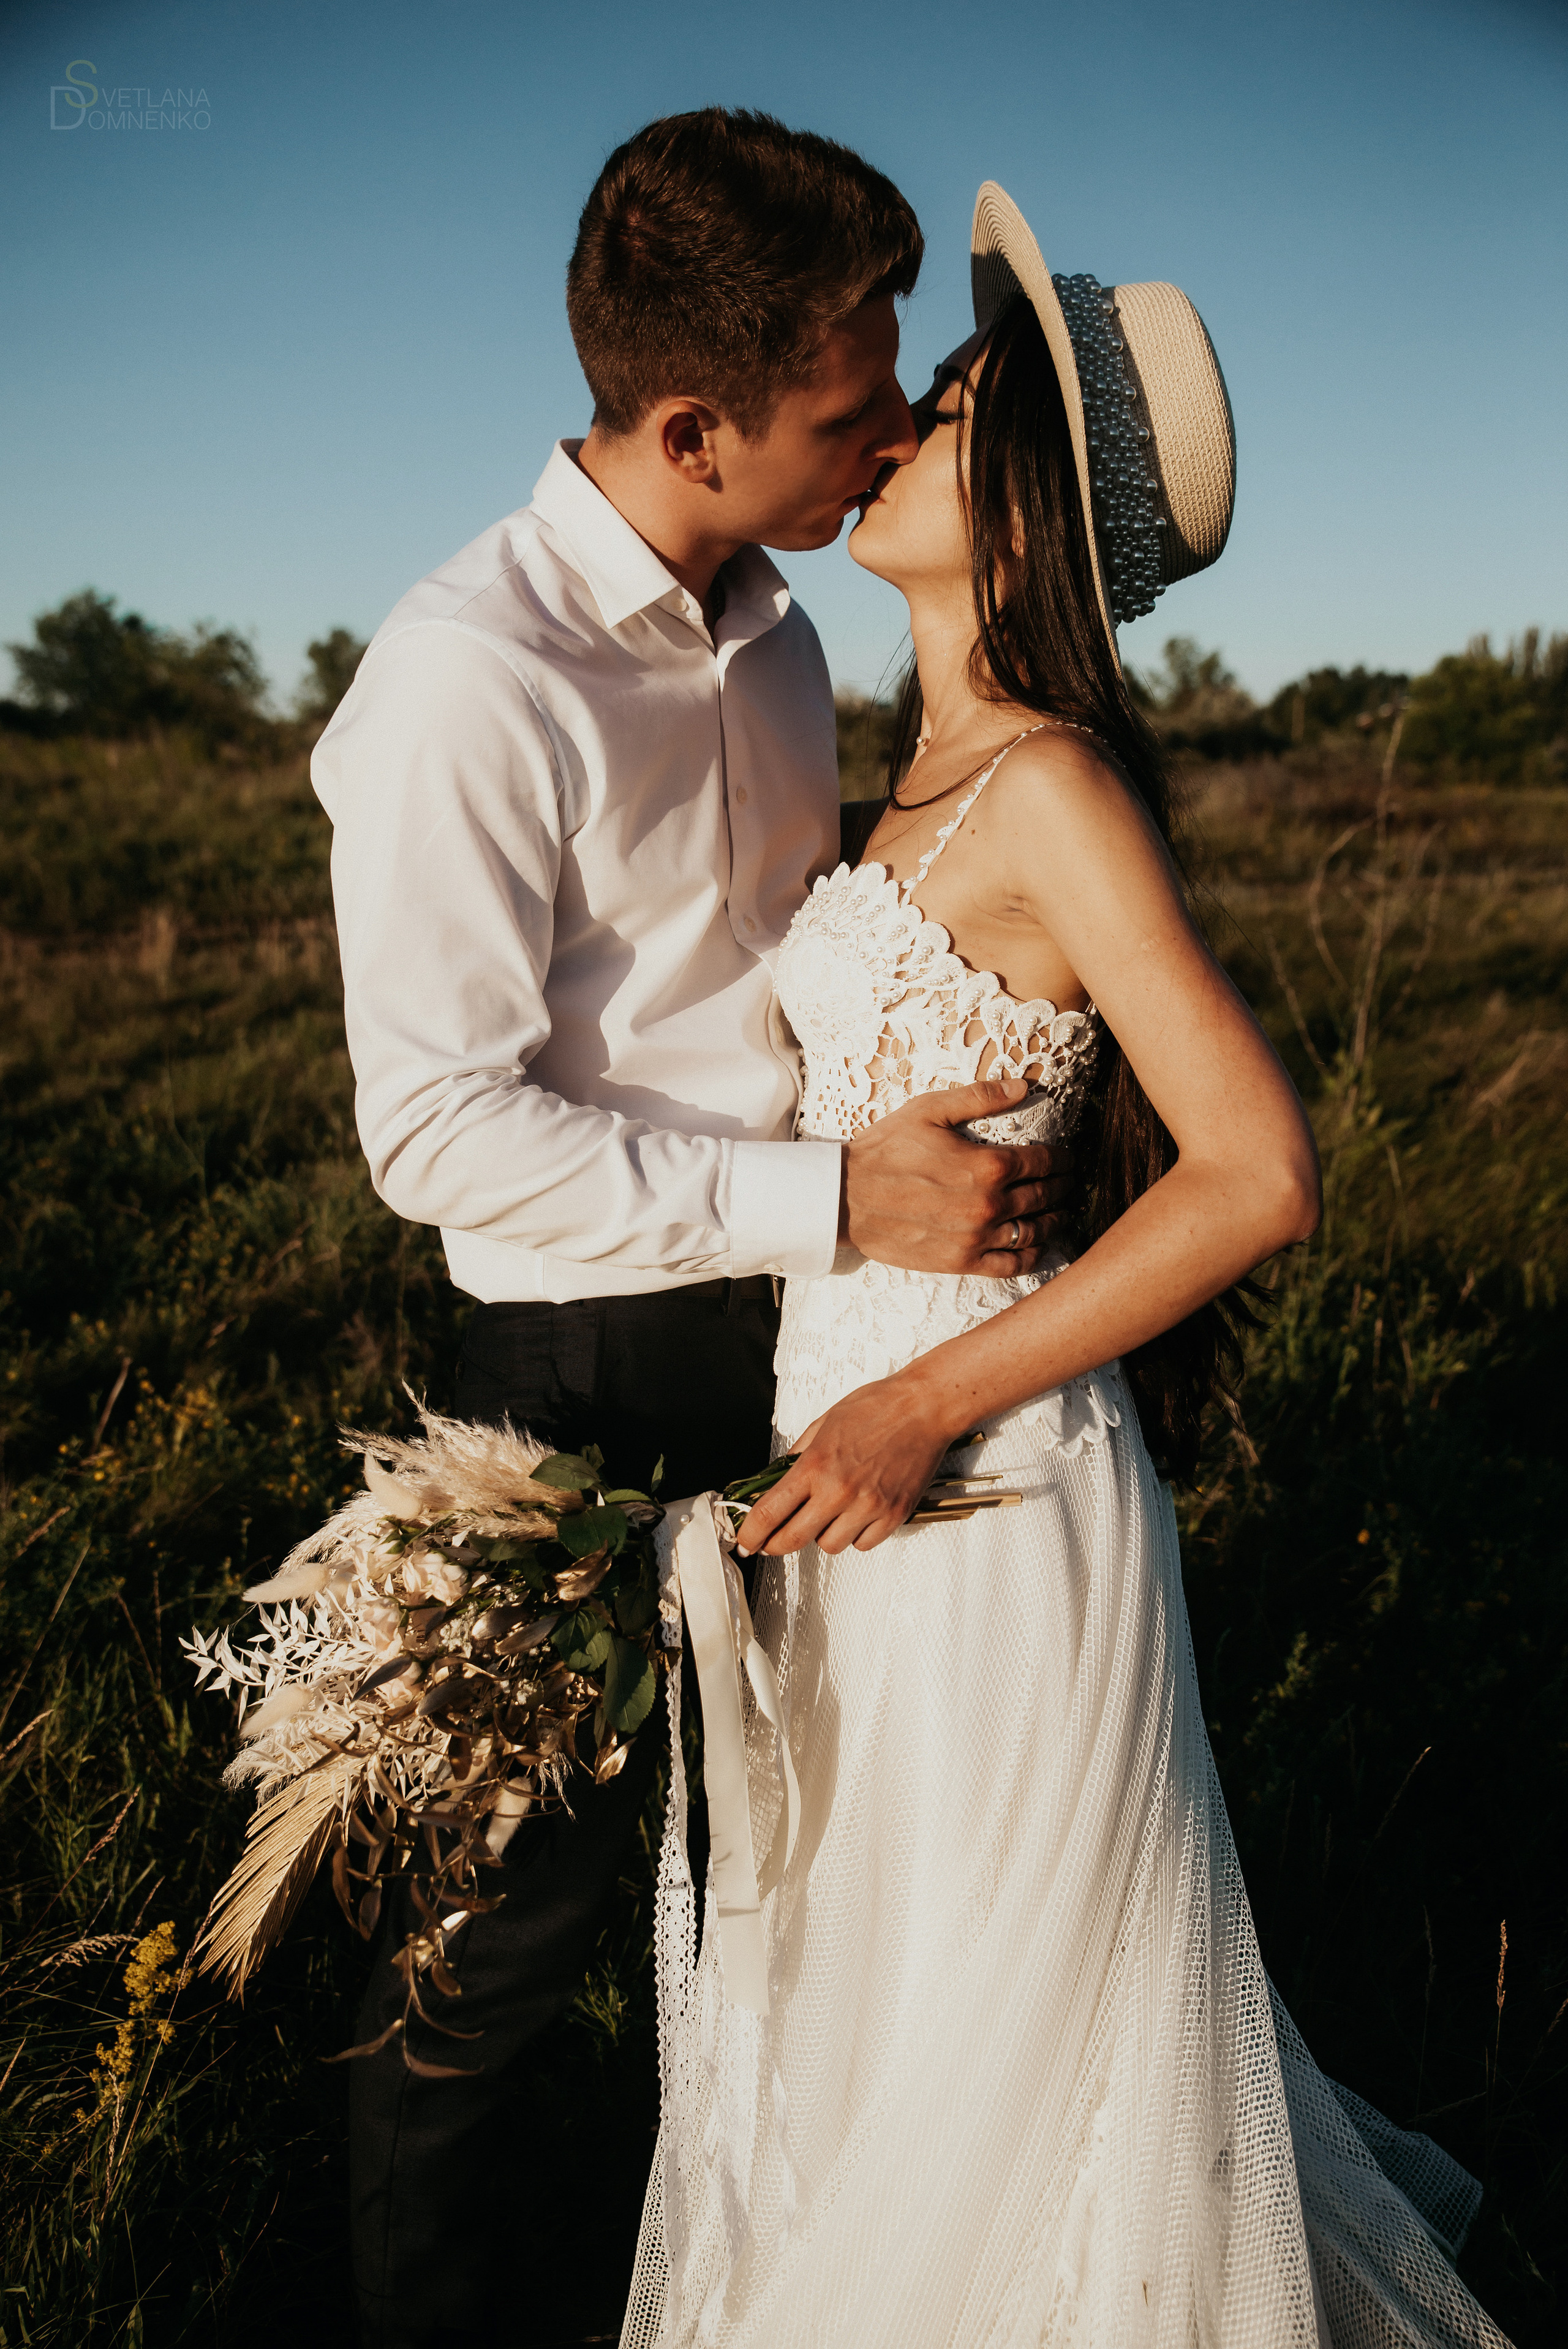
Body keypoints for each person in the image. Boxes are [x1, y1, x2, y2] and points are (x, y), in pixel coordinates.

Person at [619, 186, 1507, 2348]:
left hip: (988, 1475)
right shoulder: (897, 771)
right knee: (890, 1989)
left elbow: (1258, 1169)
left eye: (951, 404)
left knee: (1012, 2045)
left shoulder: (1049, 792)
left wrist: (925, 1399)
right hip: (855, 1464)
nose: (900, 423)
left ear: (1034, 503)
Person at [312, 118, 1074, 2347]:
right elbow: (437, 1131)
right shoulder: (467, 678)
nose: (887, 436)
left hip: (813, 1348)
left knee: (770, 1887)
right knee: (494, 1938)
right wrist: (833, 1189)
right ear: (691, 427)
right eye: (854, 408)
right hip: (576, 1378)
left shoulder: (765, 641)